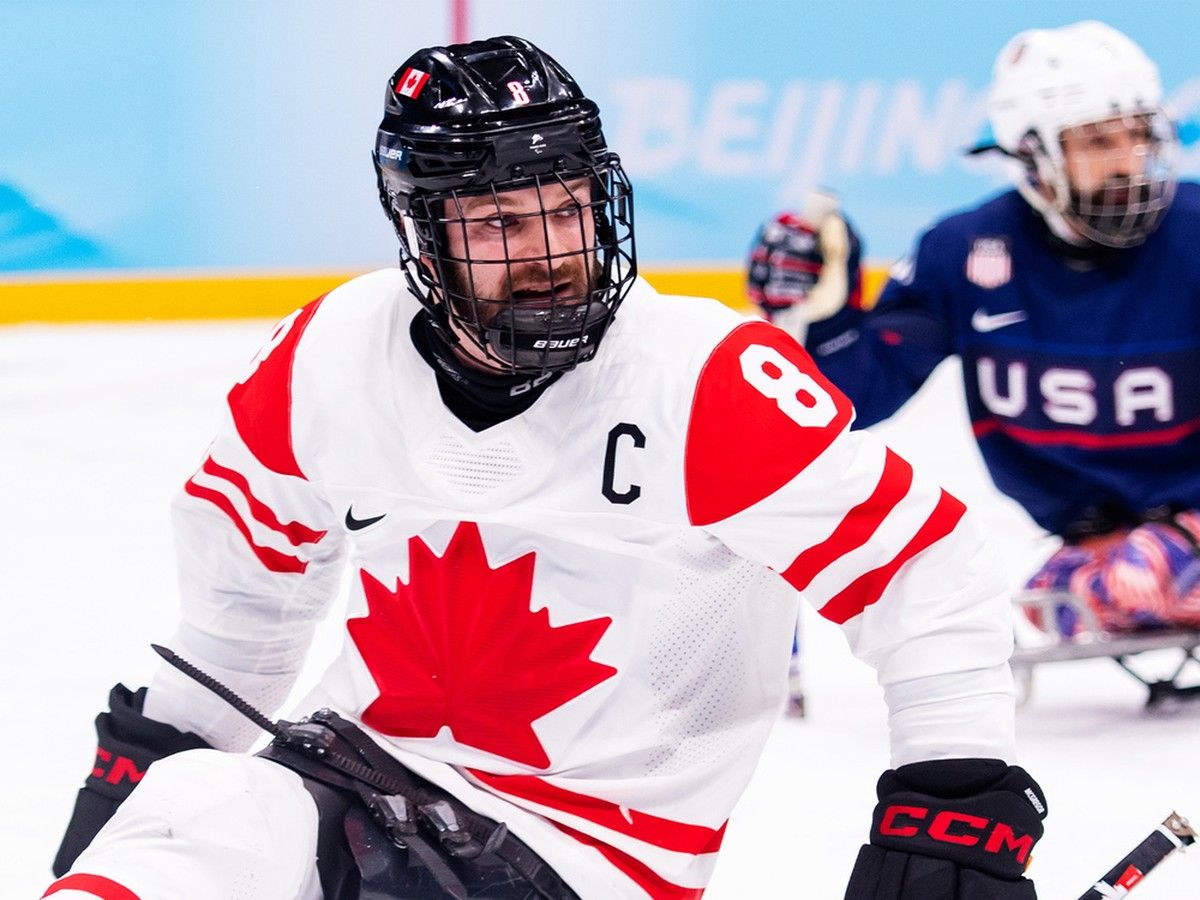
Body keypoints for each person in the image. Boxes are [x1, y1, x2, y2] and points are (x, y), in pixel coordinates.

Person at [46, 36, 1046, 900]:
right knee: (200, 799)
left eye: (566, 211)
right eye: (501, 226)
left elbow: (925, 568)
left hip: (583, 854)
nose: (552, 251)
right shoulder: (330, 355)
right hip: (356, 783)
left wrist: (950, 797)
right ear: (424, 242)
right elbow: (245, 607)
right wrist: (146, 781)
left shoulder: (704, 379)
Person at [748, 21, 1200, 639]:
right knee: (1074, 601)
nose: (1129, 162)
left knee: (1131, 580)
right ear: (1032, 155)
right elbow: (854, 401)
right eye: (1097, 142)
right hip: (1098, 542)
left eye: (1139, 135)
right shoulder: (963, 252)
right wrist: (824, 312)